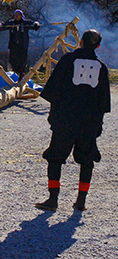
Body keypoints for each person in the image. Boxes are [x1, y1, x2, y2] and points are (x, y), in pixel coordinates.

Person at [35, 29, 111, 212]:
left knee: (55, 157)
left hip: (65, 119)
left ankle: (53, 200)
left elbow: (54, 92)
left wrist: (52, 116)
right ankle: (81, 201)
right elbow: (103, 101)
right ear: (98, 45)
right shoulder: (101, 67)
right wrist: (98, 124)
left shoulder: (68, 60)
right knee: (86, 160)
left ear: (80, 42)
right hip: (89, 122)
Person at [0, 9, 40, 79]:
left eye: (18, 15)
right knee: (12, 60)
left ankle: (22, 74)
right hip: (13, 46)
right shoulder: (12, 23)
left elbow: (34, 24)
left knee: (22, 61)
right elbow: (3, 24)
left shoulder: (25, 23)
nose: (16, 16)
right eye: (15, 15)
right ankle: (15, 74)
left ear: (21, 15)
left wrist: (36, 24)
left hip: (23, 46)